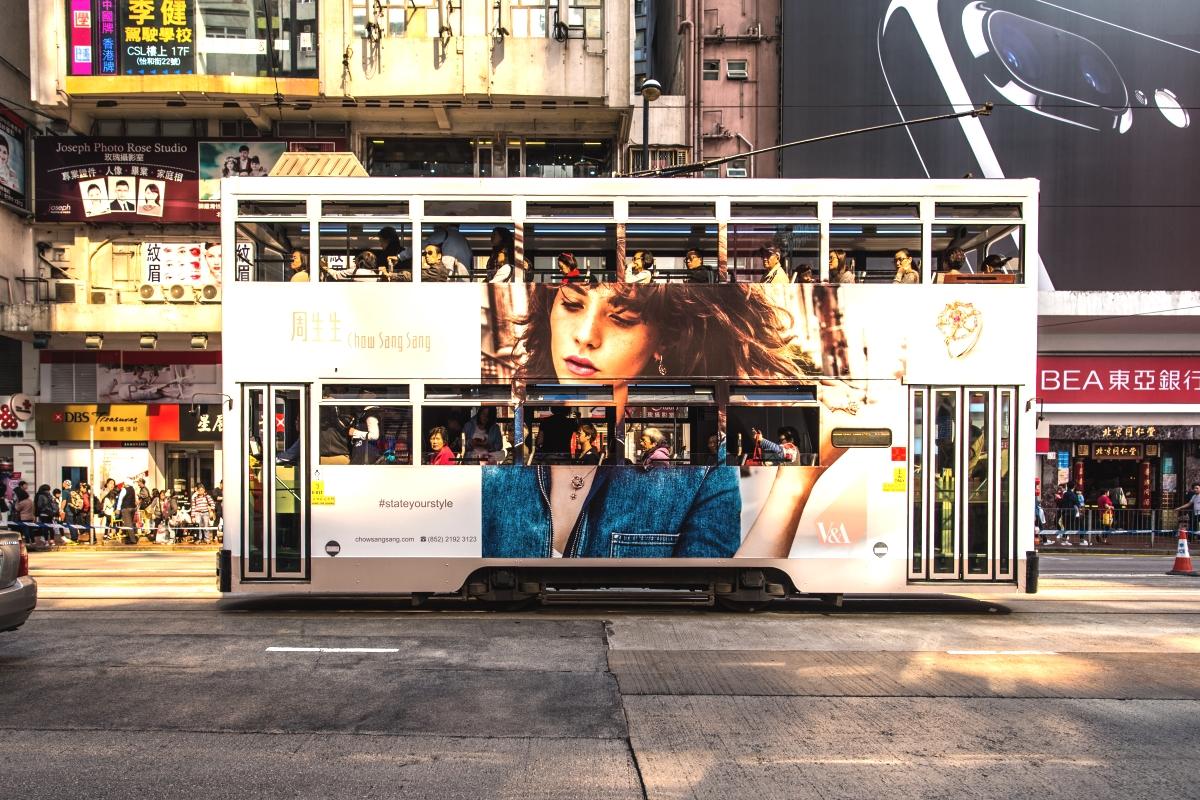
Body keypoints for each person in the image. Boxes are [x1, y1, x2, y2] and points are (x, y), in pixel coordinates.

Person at [483, 282, 828, 559]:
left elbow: (713, 609)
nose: (586, 335)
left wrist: (794, 486)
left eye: (621, 318)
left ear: (662, 340)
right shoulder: (491, 444)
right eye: (572, 304)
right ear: (549, 313)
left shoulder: (701, 462)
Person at [348, 395, 381, 465]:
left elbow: (374, 435)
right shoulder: (366, 413)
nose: (359, 396)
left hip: (366, 457)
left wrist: (355, 432)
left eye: (363, 393)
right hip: (362, 455)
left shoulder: (371, 413)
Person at [115, 480, 139, 544]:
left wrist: (118, 509)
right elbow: (136, 498)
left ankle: (133, 540)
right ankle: (128, 538)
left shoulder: (124, 490)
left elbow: (120, 499)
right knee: (129, 523)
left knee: (128, 524)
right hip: (132, 508)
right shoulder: (133, 489)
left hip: (126, 508)